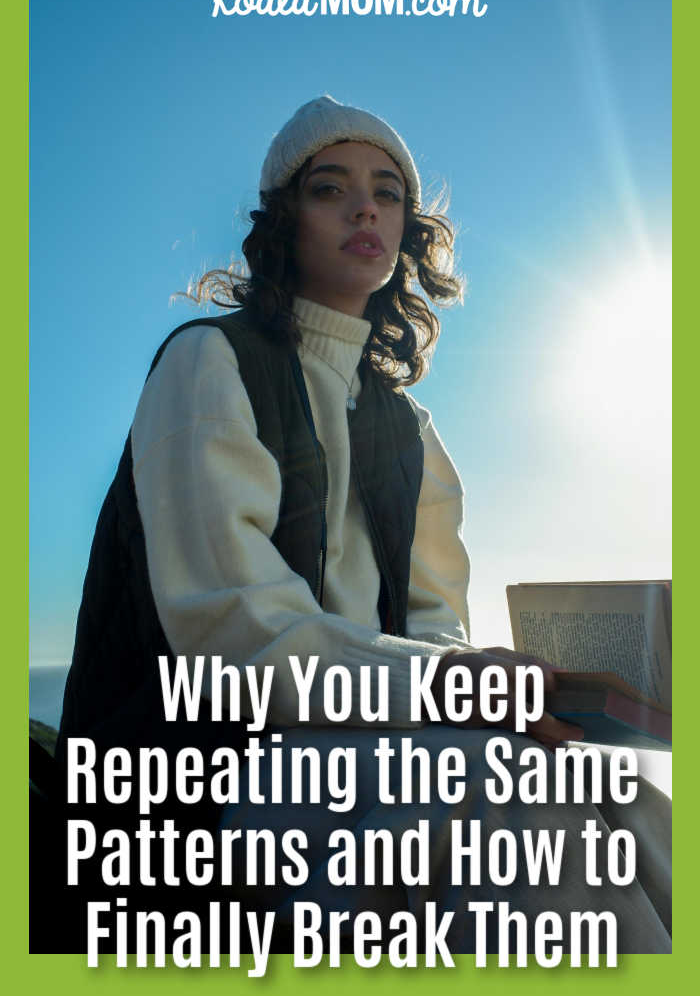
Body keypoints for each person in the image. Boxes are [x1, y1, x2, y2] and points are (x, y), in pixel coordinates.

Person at [55, 96, 670, 954]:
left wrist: (498, 686)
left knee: (621, 796)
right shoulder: (207, 364)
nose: (364, 207)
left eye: (386, 192)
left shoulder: (410, 431)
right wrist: (456, 689)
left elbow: (434, 632)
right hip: (207, 774)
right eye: (329, 188)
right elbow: (231, 634)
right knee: (502, 795)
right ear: (285, 220)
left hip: (370, 755)